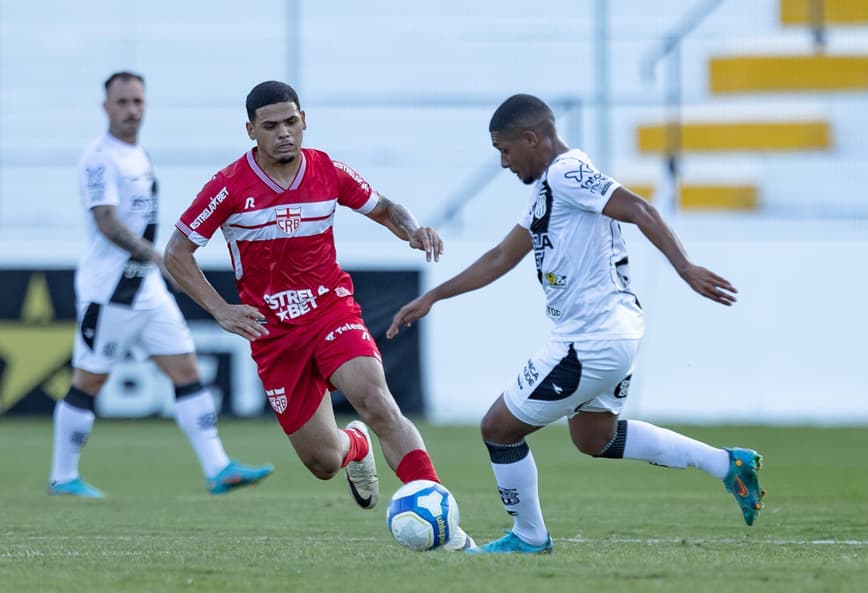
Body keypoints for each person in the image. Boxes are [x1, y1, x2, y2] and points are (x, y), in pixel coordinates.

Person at [386, 94, 766, 554]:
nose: (504, 162)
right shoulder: (546, 189)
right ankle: (728, 465)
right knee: (594, 438)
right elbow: (502, 256)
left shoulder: (567, 172)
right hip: (615, 334)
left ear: (531, 138)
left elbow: (638, 208)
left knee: (498, 429)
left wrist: (684, 267)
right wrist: (433, 296)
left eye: (505, 150)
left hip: (590, 339)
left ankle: (529, 537)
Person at [163, 80, 473, 550]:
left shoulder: (326, 170)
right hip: (273, 334)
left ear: (304, 120)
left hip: (331, 311)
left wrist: (410, 230)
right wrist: (220, 309)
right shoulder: (227, 187)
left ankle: (443, 525)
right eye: (271, 126)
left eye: (291, 121)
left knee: (376, 399)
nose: (284, 133)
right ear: (251, 131)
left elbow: (386, 207)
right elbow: (177, 253)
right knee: (324, 462)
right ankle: (356, 447)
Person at [49, 71, 274, 499]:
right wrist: (159, 257)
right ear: (106, 107)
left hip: (148, 291)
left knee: (187, 371)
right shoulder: (100, 157)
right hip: (110, 292)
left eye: (137, 101)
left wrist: (156, 266)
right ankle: (63, 477)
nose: (131, 110)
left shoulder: (138, 154)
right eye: (122, 102)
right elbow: (107, 222)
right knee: (89, 381)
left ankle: (219, 468)